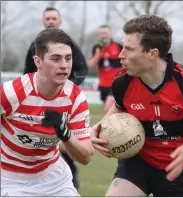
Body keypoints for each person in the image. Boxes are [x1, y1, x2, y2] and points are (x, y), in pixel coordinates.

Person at [91, 15, 183, 197]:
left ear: (152, 54)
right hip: (138, 161)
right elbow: (119, 107)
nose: (120, 55)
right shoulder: (123, 82)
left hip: (182, 168)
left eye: (128, 49)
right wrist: (100, 127)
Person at [1, 28, 94, 197]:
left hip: (53, 177)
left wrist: (65, 133)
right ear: (38, 62)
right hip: (10, 179)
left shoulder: (76, 98)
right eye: (56, 59)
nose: (64, 65)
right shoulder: (12, 93)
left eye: (68, 58)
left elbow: (86, 156)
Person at [23, 7, 88, 189]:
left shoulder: (69, 45)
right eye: (47, 18)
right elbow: (26, 74)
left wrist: (65, 88)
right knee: (35, 144)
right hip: (36, 104)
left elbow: (82, 70)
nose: (51, 21)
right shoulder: (35, 47)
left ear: (59, 21)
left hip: (64, 106)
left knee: (64, 143)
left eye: (54, 18)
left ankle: (69, 183)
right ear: (44, 22)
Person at [88, 24, 123, 114]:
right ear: (99, 35)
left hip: (116, 83)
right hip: (103, 85)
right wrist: (98, 54)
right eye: (101, 33)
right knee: (111, 111)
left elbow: (126, 63)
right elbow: (92, 65)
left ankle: (108, 126)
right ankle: (114, 126)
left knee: (108, 109)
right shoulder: (97, 48)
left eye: (105, 33)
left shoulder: (118, 46)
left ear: (110, 34)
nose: (104, 35)